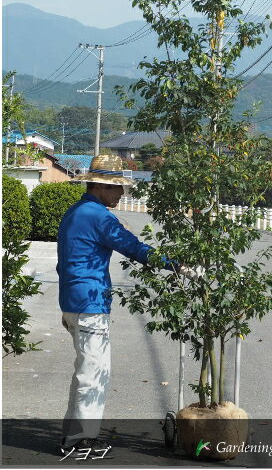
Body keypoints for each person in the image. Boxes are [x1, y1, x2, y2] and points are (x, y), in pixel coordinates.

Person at [57, 154, 175, 455]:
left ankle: (75, 433)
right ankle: (81, 439)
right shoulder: (98, 216)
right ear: (98, 186)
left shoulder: (76, 211)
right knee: (94, 371)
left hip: (73, 300)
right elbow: (132, 246)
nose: (121, 193)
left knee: (85, 369)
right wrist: (174, 264)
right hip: (89, 302)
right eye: (115, 187)